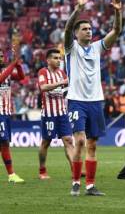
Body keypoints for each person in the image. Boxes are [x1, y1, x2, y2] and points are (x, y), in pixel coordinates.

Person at [64, 0, 122, 196]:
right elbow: (67, 28)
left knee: (92, 144)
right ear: (77, 33)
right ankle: (75, 183)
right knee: (79, 141)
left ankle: (89, 185)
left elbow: (116, 32)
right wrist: (78, 9)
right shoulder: (71, 47)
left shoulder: (97, 47)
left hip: (96, 101)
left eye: (90, 28)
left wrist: (117, 11)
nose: (88, 31)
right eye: (84, 29)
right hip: (76, 101)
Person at [37, 49, 73, 179]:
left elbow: (66, 89)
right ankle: (42, 171)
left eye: (60, 58)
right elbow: (43, 87)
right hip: (49, 114)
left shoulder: (62, 73)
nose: (59, 60)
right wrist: (61, 83)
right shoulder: (42, 72)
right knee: (46, 142)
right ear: (48, 60)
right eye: (55, 58)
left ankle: (75, 170)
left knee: (68, 140)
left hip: (62, 113)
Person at [0, 46, 25, 183]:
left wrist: (19, 65)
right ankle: (11, 174)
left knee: (4, 143)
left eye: (2, 56)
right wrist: (13, 64)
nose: (1, 58)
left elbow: (21, 77)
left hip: (6, 112)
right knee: (4, 142)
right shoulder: (5, 72)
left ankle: (11, 175)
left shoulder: (6, 71)